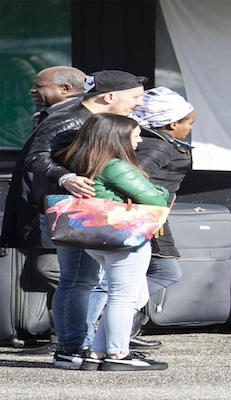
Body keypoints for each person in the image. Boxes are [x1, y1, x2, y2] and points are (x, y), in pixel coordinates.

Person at [23, 69, 146, 369]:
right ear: (110, 96)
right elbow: (35, 157)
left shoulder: (91, 120)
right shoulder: (69, 119)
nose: (137, 105)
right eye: (134, 98)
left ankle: (81, 345)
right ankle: (72, 347)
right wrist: (65, 178)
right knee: (79, 279)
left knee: (87, 280)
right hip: (76, 211)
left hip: (89, 211)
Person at [82, 86, 195, 350]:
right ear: (172, 122)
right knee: (136, 284)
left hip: (146, 218)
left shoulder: (160, 142)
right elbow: (136, 175)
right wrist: (154, 198)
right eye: (188, 123)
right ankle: (110, 331)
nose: (189, 129)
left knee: (133, 282)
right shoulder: (158, 146)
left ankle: (114, 331)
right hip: (141, 220)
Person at [54, 113, 169, 371]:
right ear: (117, 137)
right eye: (135, 135)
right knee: (124, 297)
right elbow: (155, 199)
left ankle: (97, 352)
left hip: (94, 237)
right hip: (124, 236)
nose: (139, 140)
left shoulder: (76, 160)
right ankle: (118, 354)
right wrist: (162, 191)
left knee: (119, 294)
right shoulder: (115, 165)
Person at [1, 66, 85, 310]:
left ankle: (91, 323)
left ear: (65, 89)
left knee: (53, 268)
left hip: (60, 206)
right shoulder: (51, 114)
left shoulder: (71, 117)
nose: (32, 90)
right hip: (42, 206)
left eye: (39, 86)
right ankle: (63, 335)